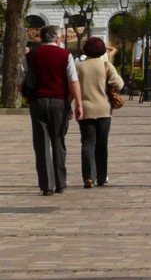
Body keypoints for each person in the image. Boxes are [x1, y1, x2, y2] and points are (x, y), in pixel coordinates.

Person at [25, 25, 84, 196]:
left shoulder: (30, 56)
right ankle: (60, 182)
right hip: (59, 102)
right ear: (57, 39)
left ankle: (46, 185)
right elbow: (73, 81)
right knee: (58, 141)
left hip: (38, 102)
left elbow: (22, 81)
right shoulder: (65, 55)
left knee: (41, 144)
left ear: (42, 38)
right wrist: (78, 104)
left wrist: (29, 99)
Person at [76, 36, 123, 188]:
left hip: (85, 110)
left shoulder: (79, 66)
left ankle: (88, 177)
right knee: (102, 144)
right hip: (104, 110)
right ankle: (102, 176)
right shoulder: (106, 65)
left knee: (87, 143)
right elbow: (119, 84)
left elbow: (72, 86)